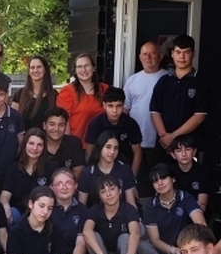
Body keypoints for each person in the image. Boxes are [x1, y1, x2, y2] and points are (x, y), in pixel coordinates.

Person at [140, 164, 207, 254]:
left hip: (189, 249)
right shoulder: (151, 206)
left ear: (173, 179)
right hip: (166, 252)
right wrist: (174, 250)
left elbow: (201, 224)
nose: (160, 183)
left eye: (163, 178)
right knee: (141, 245)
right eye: (155, 181)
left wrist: (187, 251)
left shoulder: (185, 198)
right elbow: (155, 240)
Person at [150, 35, 208, 165]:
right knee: (162, 181)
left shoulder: (200, 82)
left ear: (193, 54)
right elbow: (154, 111)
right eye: (178, 52)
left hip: (188, 147)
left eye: (186, 52)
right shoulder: (164, 81)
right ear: (172, 54)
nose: (182, 57)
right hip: (164, 146)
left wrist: (173, 136)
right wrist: (164, 136)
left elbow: (199, 116)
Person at [124, 41, 168, 198]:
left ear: (160, 56)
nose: (148, 57)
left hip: (161, 142)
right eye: (145, 54)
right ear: (140, 57)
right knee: (139, 185)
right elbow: (125, 109)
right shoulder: (132, 80)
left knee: (160, 183)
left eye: (153, 53)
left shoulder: (168, 78)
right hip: (136, 143)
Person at [49, 169, 102, 254]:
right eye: (59, 184)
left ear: (75, 186)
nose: (64, 187)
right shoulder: (47, 207)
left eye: (68, 183)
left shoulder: (83, 210)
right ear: (51, 187)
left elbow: (81, 242)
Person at [0, 128, 58, 226]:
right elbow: (4, 196)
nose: (35, 148)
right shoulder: (14, 167)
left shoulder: (51, 166)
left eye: (39, 145)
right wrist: (5, 207)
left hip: (43, 212)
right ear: (24, 144)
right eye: (31, 143)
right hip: (19, 213)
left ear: (44, 147)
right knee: (9, 214)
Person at [84, 87, 142, 174]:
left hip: (125, 169)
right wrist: (94, 174)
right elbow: (89, 152)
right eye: (110, 106)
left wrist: (132, 177)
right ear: (104, 105)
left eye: (118, 106)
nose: (114, 110)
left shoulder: (131, 124)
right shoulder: (95, 124)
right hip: (101, 169)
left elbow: (137, 154)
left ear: (123, 105)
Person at [56, 52, 109, 146]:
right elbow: (64, 122)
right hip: (78, 145)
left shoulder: (104, 89)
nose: (83, 70)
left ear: (93, 67)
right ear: (75, 70)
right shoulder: (67, 92)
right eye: (79, 67)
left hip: (103, 145)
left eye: (86, 65)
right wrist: (69, 146)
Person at [77, 131, 137, 207]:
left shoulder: (124, 169)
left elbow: (131, 202)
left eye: (116, 148)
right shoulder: (88, 173)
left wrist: (134, 217)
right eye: (108, 147)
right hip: (93, 217)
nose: (112, 152)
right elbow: (82, 205)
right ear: (100, 147)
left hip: (122, 216)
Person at [11, 55, 56, 130]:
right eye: (32, 67)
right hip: (24, 140)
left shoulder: (54, 95)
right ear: (29, 71)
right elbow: (13, 122)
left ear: (45, 70)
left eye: (39, 67)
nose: (35, 70)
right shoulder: (19, 95)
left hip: (47, 140)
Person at [42, 107, 85, 178]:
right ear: (44, 125)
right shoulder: (37, 144)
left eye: (61, 125)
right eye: (52, 124)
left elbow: (78, 172)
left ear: (66, 126)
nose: (56, 129)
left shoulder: (74, 143)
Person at [170, 135, 209, 211]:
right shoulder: (169, 172)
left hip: (195, 212)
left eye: (188, 149)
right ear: (173, 154)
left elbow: (202, 204)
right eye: (179, 151)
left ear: (194, 152)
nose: (184, 154)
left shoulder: (202, 171)